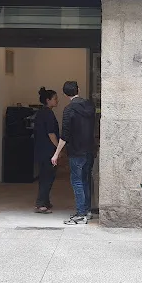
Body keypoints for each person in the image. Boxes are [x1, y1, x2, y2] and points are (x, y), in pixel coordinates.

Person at [51, 81, 96, 225]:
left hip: (76, 150)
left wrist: (56, 153)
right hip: (90, 149)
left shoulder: (69, 109)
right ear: (78, 90)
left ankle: (81, 214)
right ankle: (87, 211)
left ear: (64, 94)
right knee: (85, 179)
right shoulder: (90, 105)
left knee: (77, 181)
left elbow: (65, 135)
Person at [34, 87, 60, 214]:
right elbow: (51, 133)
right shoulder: (48, 114)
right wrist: (58, 148)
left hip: (41, 149)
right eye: (55, 99)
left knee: (45, 176)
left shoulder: (41, 113)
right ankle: (40, 203)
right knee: (47, 177)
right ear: (48, 100)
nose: (57, 101)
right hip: (48, 150)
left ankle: (45, 201)